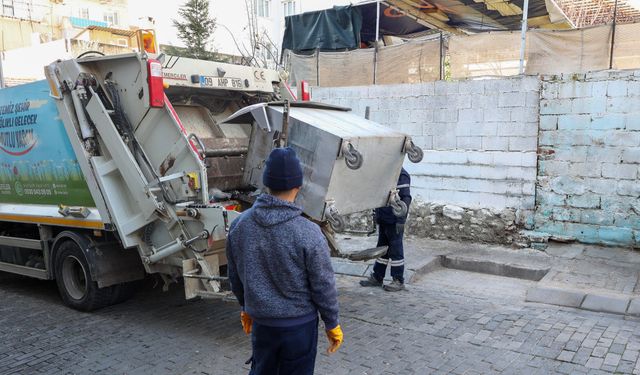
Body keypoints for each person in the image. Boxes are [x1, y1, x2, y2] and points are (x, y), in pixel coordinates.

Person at [226, 147, 343, 375]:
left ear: (267, 184)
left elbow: (235, 274)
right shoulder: (309, 232)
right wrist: (332, 322)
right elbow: (323, 285)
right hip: (299, 328)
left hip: (263, 325)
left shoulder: (240, 226)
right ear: (298, 186)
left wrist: (245, 306)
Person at [360, 168, 411, 292]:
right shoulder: (386, 173)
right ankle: (378, 277)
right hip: (384, 219)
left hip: (394, 220)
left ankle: (398, 280)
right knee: (382, 250)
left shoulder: (402, 175)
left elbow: (406, 199)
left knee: (396, 250)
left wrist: (401, 220)